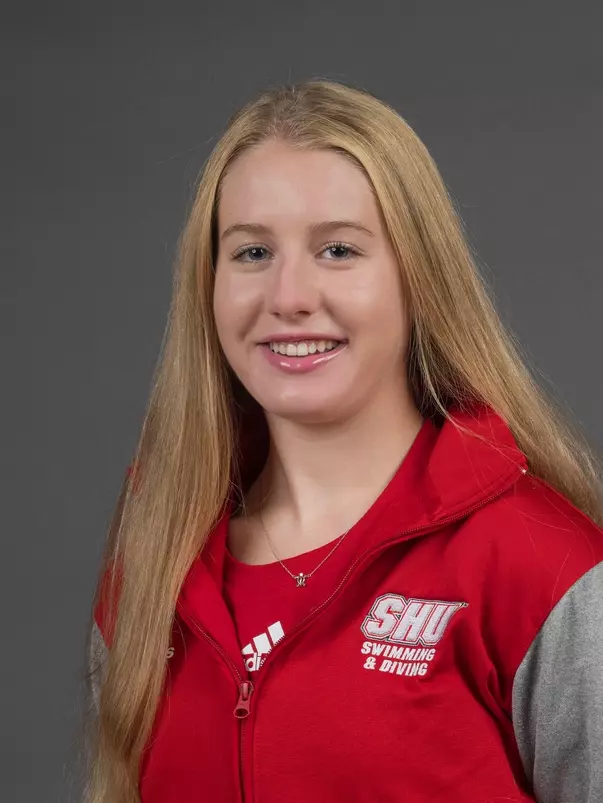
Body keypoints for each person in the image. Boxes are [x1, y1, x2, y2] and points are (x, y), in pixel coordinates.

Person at [82, 79, 603, 803]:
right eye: (252, 252)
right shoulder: (155, 559)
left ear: (418, 279)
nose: (289, 296)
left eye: (336, 249)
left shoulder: (539, 566)